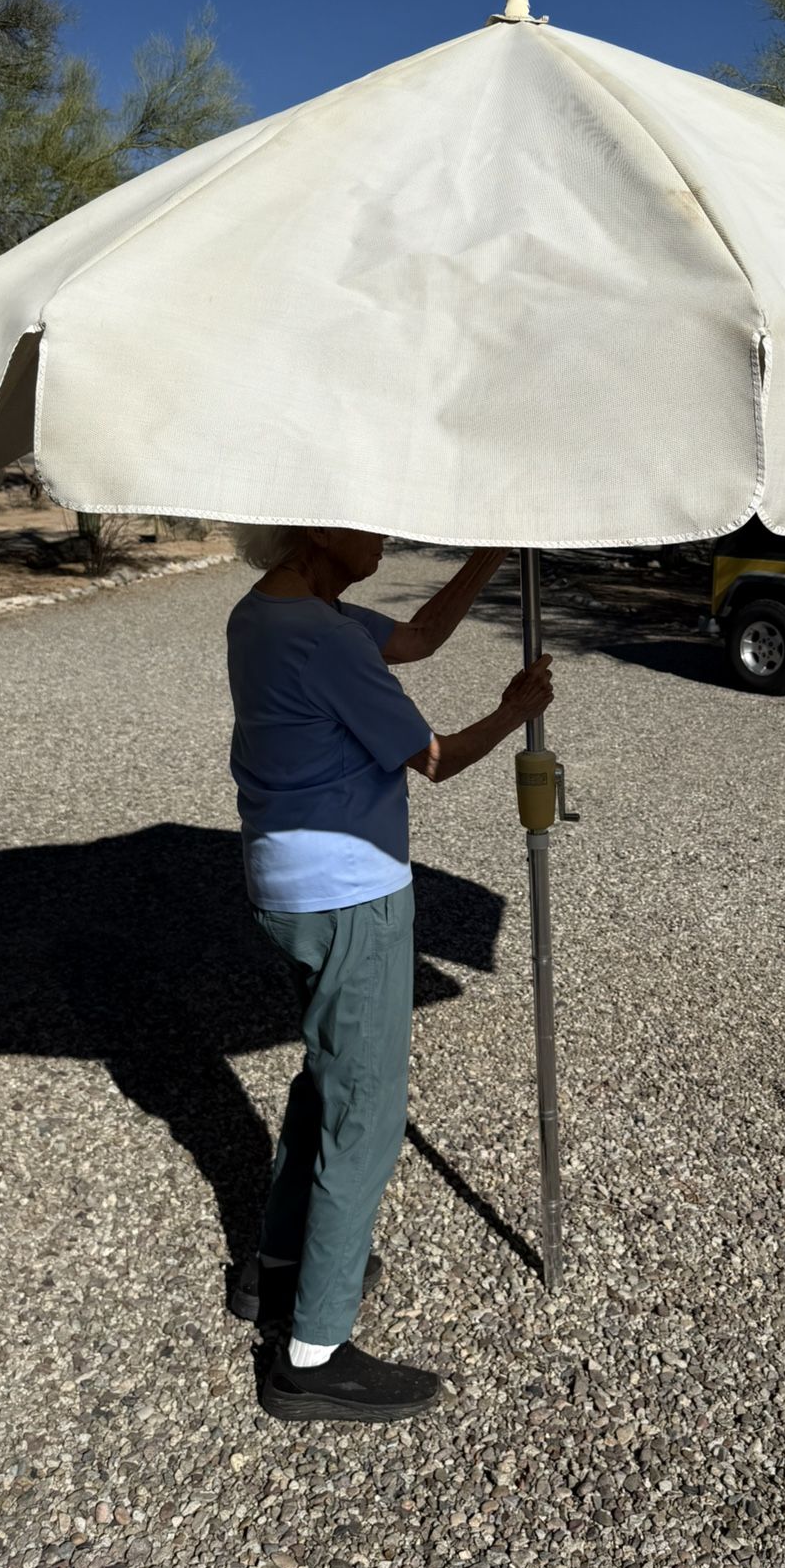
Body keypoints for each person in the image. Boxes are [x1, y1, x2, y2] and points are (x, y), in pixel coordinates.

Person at [224, 524, 553, 1423]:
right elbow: (436, 760)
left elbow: (413, 640)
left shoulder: (267, 612)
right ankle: (311, 1352)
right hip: (349, 895)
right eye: (364, 518)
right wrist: (516, 709)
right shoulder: (321, 638)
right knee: (366, 1113)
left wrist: (490, 550)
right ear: (317, 530)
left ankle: (279, 1263)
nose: (382, 532)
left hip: (288, 886)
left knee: (325, 1076)